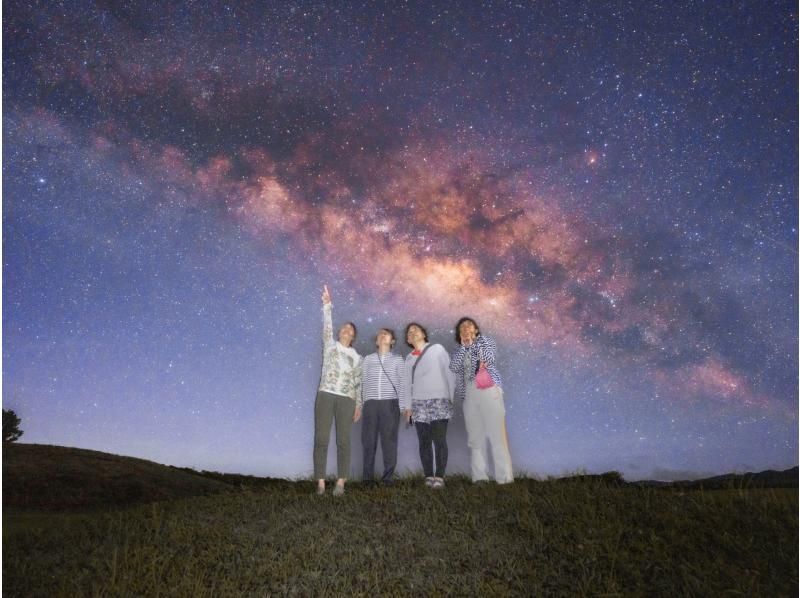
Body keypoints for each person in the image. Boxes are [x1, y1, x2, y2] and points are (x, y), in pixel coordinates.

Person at [449, 317, 513, 484]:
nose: (465, 328)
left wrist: (474, 343)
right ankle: (479, 477)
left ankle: (504, 478)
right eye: (462, 327)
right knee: (475, 437)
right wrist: (464, 347)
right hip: (469, 394)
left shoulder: (485, 341)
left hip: (488, 389)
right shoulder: (458, 350)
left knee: (497, 434)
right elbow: (454, 367)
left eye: (469, 325)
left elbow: (489, 358)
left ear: (476, 330)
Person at [313, 285, 363, 496]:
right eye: (343, 328)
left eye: (350, 330)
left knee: (343, 440)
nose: (346, 330)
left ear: (353, 337)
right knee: (321, 438)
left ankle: (341, 482)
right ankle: (321, 483)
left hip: (347, 399)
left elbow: (358, 382)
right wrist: (327, 305)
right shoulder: (330, 346)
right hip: (326, 394)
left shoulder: (357, 357)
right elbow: (326, 327)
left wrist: (359, 404)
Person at [401, 322, 456, 489]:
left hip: (438, 400)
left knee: (439, 440)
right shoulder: (409, 358)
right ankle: (428, 476)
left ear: (424, 334)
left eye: (416, 330)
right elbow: (406, 384)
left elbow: (450, 372)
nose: (413, 332)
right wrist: (407, 407)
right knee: (424, 441)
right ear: (408, 340)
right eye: (410, 332)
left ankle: (439, 476)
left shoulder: (437, 349)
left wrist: (449, 399)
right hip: (418, 403)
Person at [359, 328, 405, 487]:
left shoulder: (398, 359)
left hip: (390, 403)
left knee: (389, 442)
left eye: (386, 333)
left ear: (392, 341)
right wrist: (360, 404)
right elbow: (362, 383)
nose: (382, 335)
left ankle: (387, 479)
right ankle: (367, 479)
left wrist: (404, 406)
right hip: (370, 404)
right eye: (379, 334)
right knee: (368, 441)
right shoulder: (368, 359)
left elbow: (402, 384)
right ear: (377, 341)